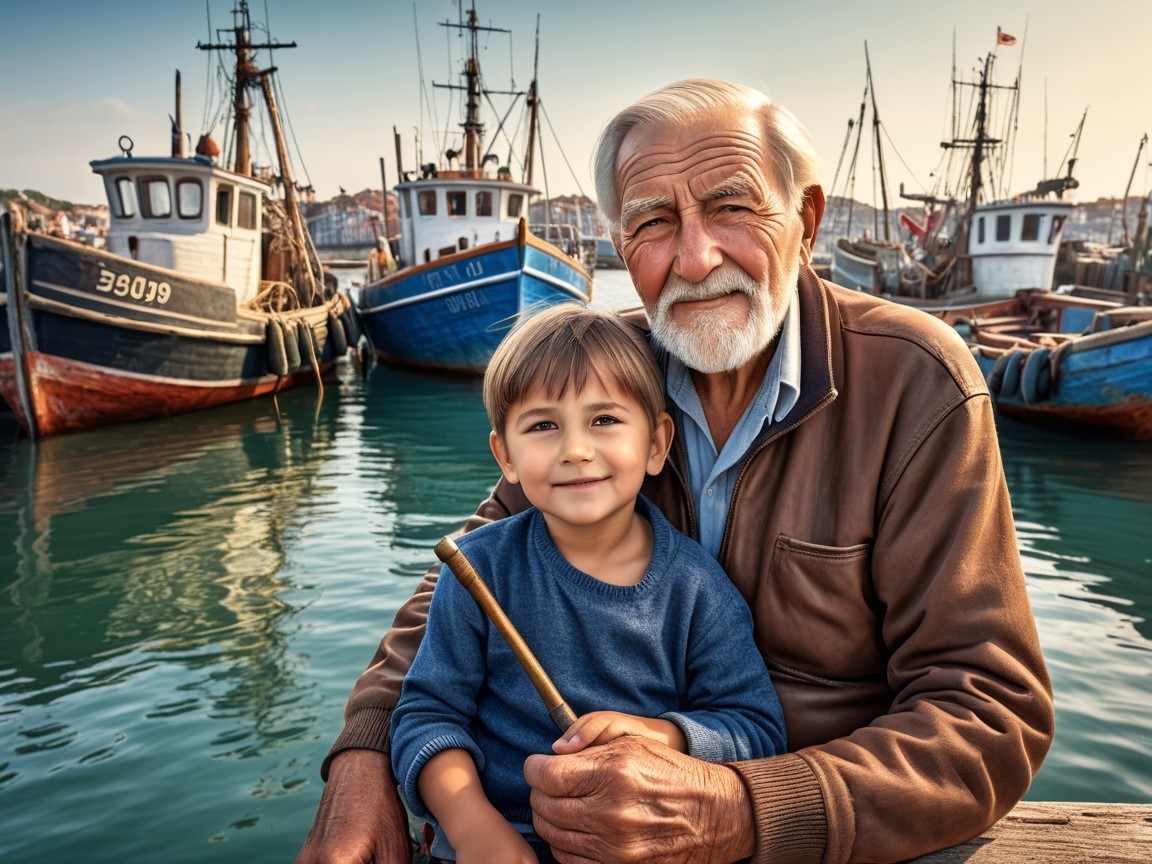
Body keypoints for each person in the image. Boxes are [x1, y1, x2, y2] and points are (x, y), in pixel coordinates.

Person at [297, 79, 1054, 864]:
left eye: (733, 207)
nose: (697, 257)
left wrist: (744, 810)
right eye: (654, 221)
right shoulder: (602, 375)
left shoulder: (915, 380)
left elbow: (989, 713)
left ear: (807, 221)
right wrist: (364, 755)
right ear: (622, 248)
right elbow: (468, 574)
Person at [390, 304, 786, 863]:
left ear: (656, 443)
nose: (576, 449)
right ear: (505, 454)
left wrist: (661, 735)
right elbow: (426, 717)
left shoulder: (698, 589)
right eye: (544, 426)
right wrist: (473, 823)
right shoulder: (478, 573)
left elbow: (756, 728)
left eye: (604, 420)